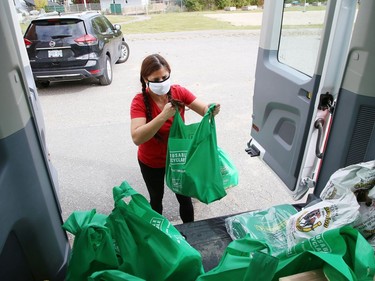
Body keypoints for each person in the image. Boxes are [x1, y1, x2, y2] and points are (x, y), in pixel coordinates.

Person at [130, 54, 220, 223]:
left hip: (178, 159)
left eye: (164, 77)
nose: (161, 82)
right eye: (156, 79)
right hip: (152, 162)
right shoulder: (140, 101)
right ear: (145, 79)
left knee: (184, 198)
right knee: (156, 199)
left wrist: (212, 109)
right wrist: (163, 116)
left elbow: (203, 109)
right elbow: (137, 137)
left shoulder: (178, 92)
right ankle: (159, 236)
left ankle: (191, 233)